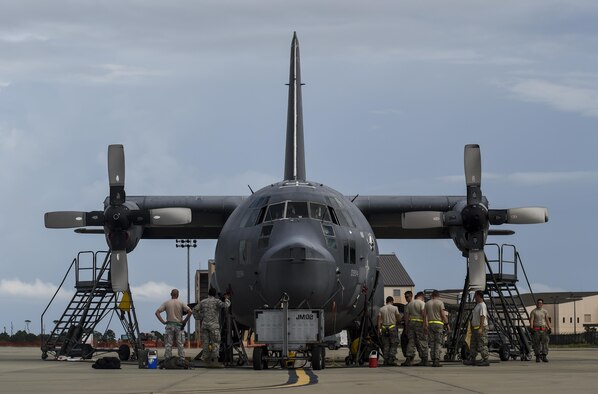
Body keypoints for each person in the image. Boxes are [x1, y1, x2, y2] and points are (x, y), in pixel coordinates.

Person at [194, 287, 231, 366]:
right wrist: (227, 299)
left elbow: (194, 309)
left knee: (206, 343)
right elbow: (226, 305)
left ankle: (205, 360)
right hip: (213, 326)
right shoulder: (217, 301)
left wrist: (200, 317)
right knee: (216, 342)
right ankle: (215, 360)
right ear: (215, 294)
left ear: (208, 293)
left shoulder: (203, 301)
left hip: (204, 325)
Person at [155, 289, 192, 360]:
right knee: (180, 344)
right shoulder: (181, 303)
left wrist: (163, 322)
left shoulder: (166, 303)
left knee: (168, 344)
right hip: (178, 326)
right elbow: (190, 311)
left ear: (171, 294)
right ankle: (182, 359)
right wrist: (184, 321)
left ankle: (167, 359)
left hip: (169, 325)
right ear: (178, 295)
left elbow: (157, 313)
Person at [464, 290, 490, 366]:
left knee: (482, 343)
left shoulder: (482, 305)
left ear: (479, 296)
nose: (474, 297)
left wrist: (481, 328)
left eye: (475, 296)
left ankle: (485, 359)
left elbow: (483, 316)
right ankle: (472, 359)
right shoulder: (477, 305)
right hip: (475, 328)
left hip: (481, 328)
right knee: (473, 344)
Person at [402, 291, 429, 366]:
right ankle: (424, 359)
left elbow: (406, 317)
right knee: (422, 341)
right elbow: (424, 315)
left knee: (411, 341)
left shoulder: (409, 304)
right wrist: (425, 325)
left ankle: (408, 359)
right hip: (419, 324)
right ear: (422, 297)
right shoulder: (422, 303)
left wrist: (406, 327)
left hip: (411, 324)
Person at [424, 290, 448, 367]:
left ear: (432, 295)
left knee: (432, 343)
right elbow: (443, 314)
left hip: (430, 324)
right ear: (438, 295)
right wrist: (447, 323)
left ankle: (433, 358)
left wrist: (425, 324)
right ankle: (436, 360)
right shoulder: (440, 303)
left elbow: (425, 315)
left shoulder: (427, 303)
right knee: (438, 342)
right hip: (438, 324)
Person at [377, 296, 401, 366]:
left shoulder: (381, 309)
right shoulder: (395, 308)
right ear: (392, 301)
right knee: (394, 344)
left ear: (386, 301)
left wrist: (378, 329)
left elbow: (378, 319)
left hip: (384, 328)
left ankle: (386, 360)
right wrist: (399, 321)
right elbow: (398, 317)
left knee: (386, 345)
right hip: (392, 328)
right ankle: (391, 359)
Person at [530, 298, 551, 362]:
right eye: (538, 303)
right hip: (536, 329)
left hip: (544, 329)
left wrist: (549, 328)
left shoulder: (545, 311)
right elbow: (531, 320)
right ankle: (537, 356)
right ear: (536, 304)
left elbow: (547, 320)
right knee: (536, 344)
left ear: (542, 304)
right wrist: (531, 328)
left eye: (540, 303)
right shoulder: (534, 311)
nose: (539, 304)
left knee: (545, 343)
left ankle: (544, 356)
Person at [400, 291, 413, 358]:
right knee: (404, 340)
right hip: (406, 325)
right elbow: (405, 315)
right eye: (405, 297)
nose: (406, 298)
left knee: (410, 341)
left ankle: (410, 356)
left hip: (410, 325)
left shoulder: (412, 305)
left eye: (407, 297)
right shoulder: (406, 306)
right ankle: (408, 356)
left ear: (411, 296)